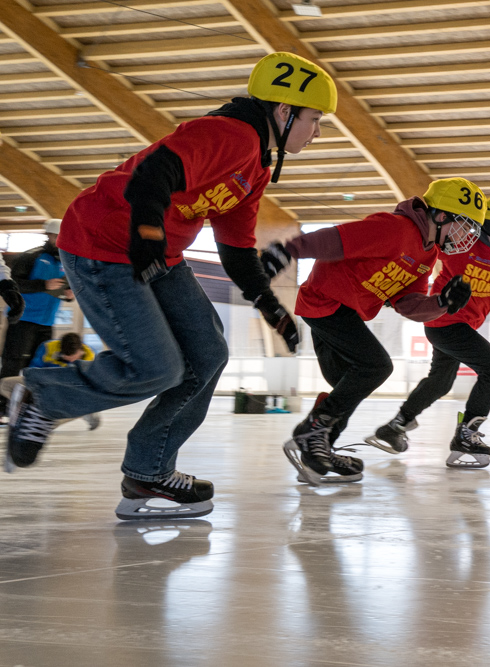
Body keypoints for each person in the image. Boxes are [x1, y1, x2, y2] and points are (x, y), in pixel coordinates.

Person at [4, 52, 332, 521]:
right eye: (314, 119)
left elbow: (236, 249)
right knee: (155, 368)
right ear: (284, 111)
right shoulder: (229, 134)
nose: (317, 131)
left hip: (159, 254)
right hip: (103, 243)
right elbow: (152, 175)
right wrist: (148, 238)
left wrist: (269, 304)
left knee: (208, 354)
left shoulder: (256, 163)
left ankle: (148, 473)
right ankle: (43, 397)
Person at [259, 177, 484, 484]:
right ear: (441, 216)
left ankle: (316, 453)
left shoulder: (427, 253)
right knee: (376, 366)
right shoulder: (394, 228)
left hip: (343, 311)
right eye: (464, 225)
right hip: (325, 302)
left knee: (346, 385)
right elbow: (338, 239)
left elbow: (407, 303)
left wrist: (442, 303)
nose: (466, 235)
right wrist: (289, 250)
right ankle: (312, 432)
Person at [364, 195, 490, 468]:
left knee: (441, 381)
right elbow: (424, 250)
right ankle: (467, 435)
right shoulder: (464, 244)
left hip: (459, 328)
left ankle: (395, 426)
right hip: (444, 321)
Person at [0, 219, 67, 418]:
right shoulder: (30, 257)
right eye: (58, 237)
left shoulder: (63, 260)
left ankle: (31, 407)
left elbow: (60, 288)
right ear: (51, 236)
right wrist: (43, 285)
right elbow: (14, 283)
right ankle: (2, 406)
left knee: (41, 366)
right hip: (24, 319)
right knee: (14, 364)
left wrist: (68, 294)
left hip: (47, 322)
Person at [29, 332, 100, 430]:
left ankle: (84, 411)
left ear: (81, 350)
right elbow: (33, 371)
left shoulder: (91, 356)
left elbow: (95, 384)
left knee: (49, 422)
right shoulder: (47, 348)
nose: (71, 361)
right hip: (49, 386)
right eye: (67, 358)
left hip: (74, 392)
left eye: (74, 358)